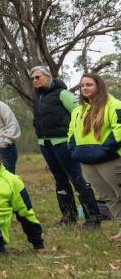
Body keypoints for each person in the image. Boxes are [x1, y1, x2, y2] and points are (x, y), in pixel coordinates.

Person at [31, 66, 101, 227]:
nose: (35, 80)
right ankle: (68, 216)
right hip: (45, 144)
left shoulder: (63, 94)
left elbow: (80, 115)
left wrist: (76, 139)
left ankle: (92, 217)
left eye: (38, 77)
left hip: (64, 143)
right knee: (59, 180)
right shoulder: (37, 98)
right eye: (33, 78)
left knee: (77, 178)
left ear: (48, 77)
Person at [67, 73, 121, 240]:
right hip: (86, 161)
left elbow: (119, 128)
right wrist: (73, 148)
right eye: (82, 85)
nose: (85, 88)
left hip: (109, 159)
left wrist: (105, 149)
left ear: (99, 86)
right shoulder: (78, 110)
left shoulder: (114, 104)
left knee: (119, 192)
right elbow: (71, 132)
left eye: (89, 84)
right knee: (107, 196)